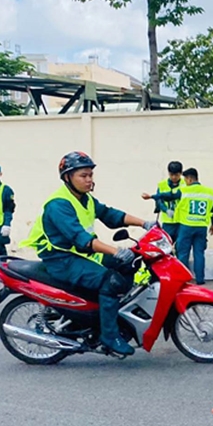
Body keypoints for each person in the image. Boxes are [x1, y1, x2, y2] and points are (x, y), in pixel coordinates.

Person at [20, 152, 155, 356]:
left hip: (80, 254)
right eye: (84, 175)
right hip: (61, 259)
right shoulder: (59, 204)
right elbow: (81, 239)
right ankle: (109, 336)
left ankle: (109, 313)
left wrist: (146, 224)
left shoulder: (86, 199)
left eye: (91, 175)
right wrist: (116, 250)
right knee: (110, 281)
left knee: (130, 264)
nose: (89, 179)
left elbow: (110, 215)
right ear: (68, 177)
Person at [173, 168, 213, 285]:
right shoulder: (209, 192)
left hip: (186, 226)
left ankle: (183, 279)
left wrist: (153, 196)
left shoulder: (184, 191)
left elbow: (168, 196)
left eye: (185, 179)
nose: (185, 182)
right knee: (199, 253)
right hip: (201, 226)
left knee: (183, 253)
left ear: (190, 178)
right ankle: (200, 279)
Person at [141, 161, 183, 242]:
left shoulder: (185, 184)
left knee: (181, 245)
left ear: (181, 173)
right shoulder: (162, 185)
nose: (174, 177)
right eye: (171, 175)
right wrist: (166, 210)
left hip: (182, 221)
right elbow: (159, 201)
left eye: (176, 175)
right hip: (168, 222)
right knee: (166, 244)